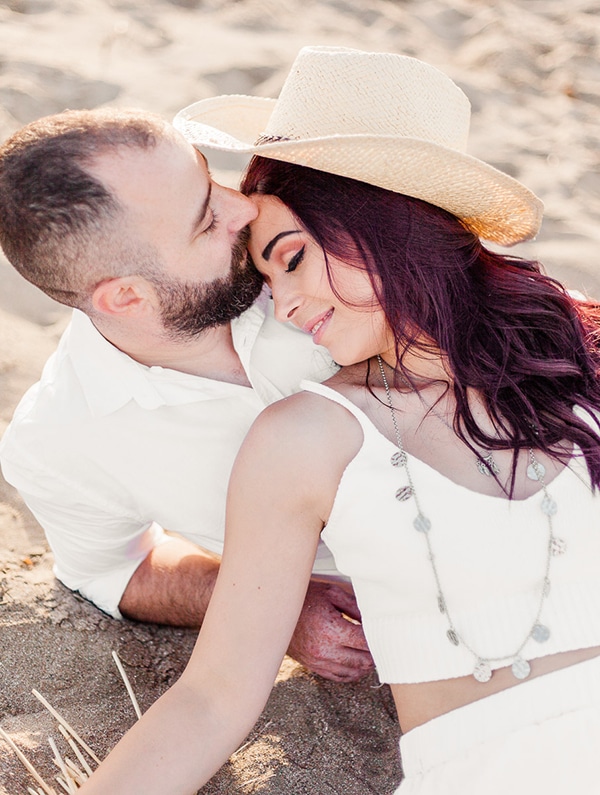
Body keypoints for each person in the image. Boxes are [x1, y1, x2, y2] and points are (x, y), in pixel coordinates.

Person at [81, 45, 600, 793]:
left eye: (291, 258)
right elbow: (211, 698)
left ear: (382, 222)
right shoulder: (306, 437)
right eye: (265, 277)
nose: (284, 306)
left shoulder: (581, 363)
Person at [0, 105, 375, 682]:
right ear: (126, 298)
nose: (242, 207)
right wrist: (277, 605)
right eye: (205, 221)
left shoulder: (300, 245)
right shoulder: (56, 440)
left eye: (208, 175)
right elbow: (115, 572)